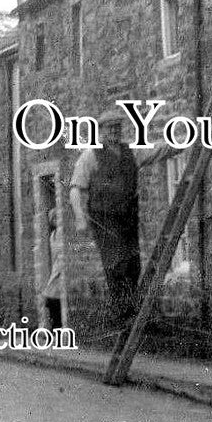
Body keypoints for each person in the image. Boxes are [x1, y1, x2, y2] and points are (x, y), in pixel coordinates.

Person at [69, 129, 141, 326]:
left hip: (127, 216)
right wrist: (79, 217)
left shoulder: (130, 152)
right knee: (116, 263)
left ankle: (130, 311)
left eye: (117, 126)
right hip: (104, 218)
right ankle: (120, 314)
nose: (113, 131)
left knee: (133, 265)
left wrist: (182, 145)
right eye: (109, 128)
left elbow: (157, 152)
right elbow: (75, 189)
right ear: (101, 132)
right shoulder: (90, 156)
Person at [41, 208, 65, 329]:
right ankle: (55, 328)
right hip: (56, 270)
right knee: (51, 299)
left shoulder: (62, 233)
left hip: (61, 271)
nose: (56, 220)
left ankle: (57, 328)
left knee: (55, 300)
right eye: (54, 218)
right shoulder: (53, 235)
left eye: (58, 217)